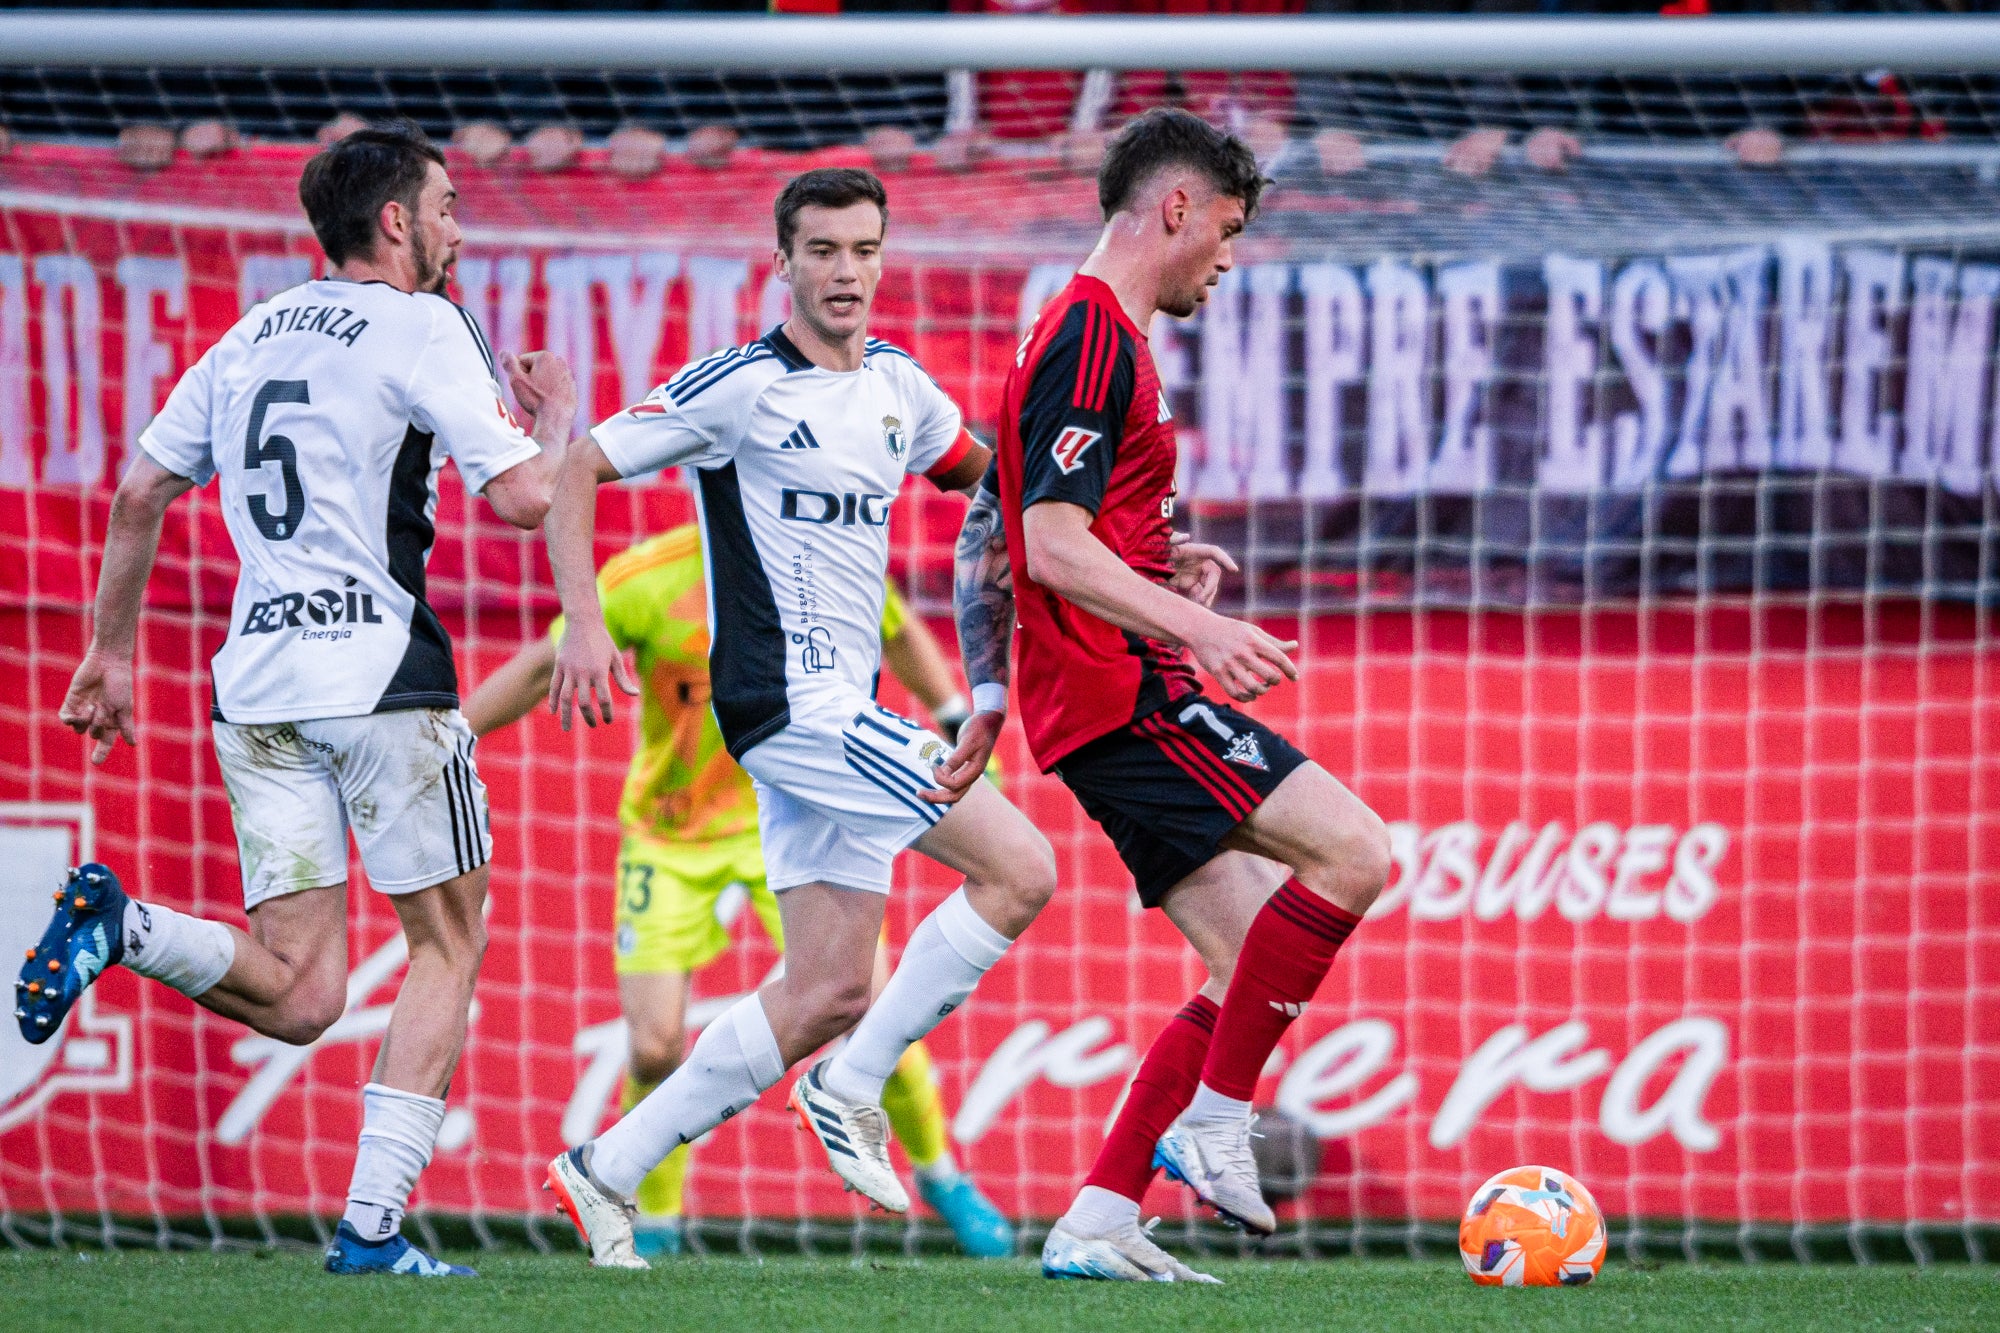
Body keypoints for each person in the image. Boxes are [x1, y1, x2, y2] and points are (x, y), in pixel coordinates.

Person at [18, 121, 577, 1277]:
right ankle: (372, 1230)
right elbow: (526, 498)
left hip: (257, 688)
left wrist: (109, 656)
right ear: (395, 223)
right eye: (447, 207)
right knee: (448, 940)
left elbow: (137, 492)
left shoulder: (248, 335)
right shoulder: (422, 323)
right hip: (378, 678)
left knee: (301, 989)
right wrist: (559, 415)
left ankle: (123, 926)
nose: (458, 230)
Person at [534, 167, 1057, 1271]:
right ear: (783, 261)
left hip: (838, 714)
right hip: (788, 707)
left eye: (862, 249)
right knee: (1019, 867)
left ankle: (608, 1168)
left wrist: (1128, 543)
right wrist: (583, 625)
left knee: (828, 985)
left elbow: (992, 491)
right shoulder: (737, 387)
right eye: (821, 250)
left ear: (882, 255)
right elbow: (578, 467)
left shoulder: (899, 389)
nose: (845, 272)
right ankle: (852, 1084)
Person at [939, 107, 1391, 1284]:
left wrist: (1156, 571)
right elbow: (1041, 541)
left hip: (1095, 692)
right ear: (1176, 209)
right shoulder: (1092, 335)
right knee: (1353, 854)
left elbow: (1042, 535)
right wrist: (1200, 626)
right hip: (1122, 694)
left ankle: (1096, 1215)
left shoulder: (1086, 329)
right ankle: (1217, 1116)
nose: (1229, 260)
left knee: (1248, 956)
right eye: (1228, 230)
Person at [464, 539, 1014, 1257]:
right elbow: (547, 662)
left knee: (873, 1001)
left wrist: (950, 710)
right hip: (672, 834)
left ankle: (942, 1175)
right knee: (653, 1042)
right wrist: (455, 735)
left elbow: (899, 626)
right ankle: (652, 1213)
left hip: (788, 812)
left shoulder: (812, 559)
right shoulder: (645, 580)